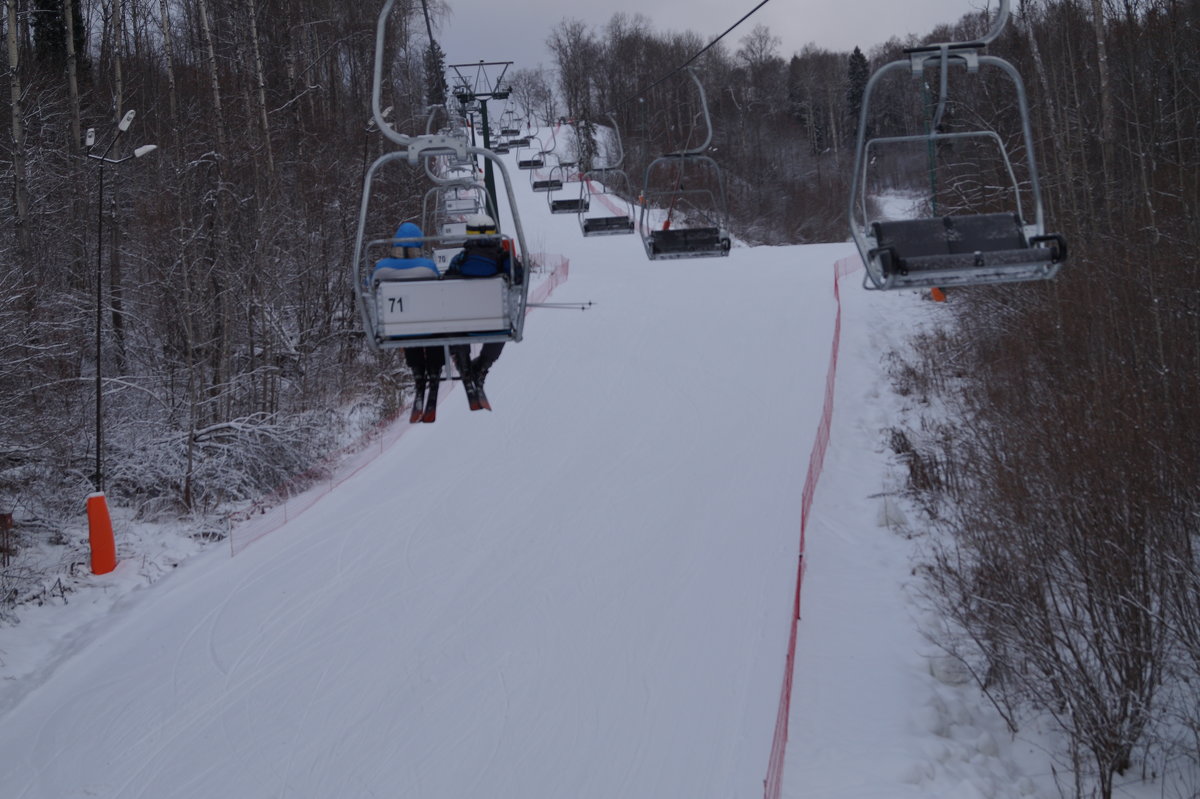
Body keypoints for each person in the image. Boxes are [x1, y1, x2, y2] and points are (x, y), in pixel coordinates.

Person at [374, 222, 444, 419]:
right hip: (429, 327)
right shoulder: (427, 267)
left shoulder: (381, 269)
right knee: (431, 328)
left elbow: (368, 286)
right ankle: (434, 378)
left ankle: (419, 381)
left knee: (408, 328)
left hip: (397, 328)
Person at [444, 213, 519, 390]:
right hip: (494, 322)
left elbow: (447, 286)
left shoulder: (460, 260)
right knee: (502, 326)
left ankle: (464, 364)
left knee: (455, 326)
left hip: (465, 321)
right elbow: (519, 279)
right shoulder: (503, 259)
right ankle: (482, 366)